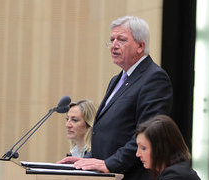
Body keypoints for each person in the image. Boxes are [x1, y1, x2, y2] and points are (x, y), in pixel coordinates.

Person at [57, 16, 173, 180]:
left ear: (140, 46)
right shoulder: (117, 80)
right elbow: (110, 134)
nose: (113, 46)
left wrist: (110, 164)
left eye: (121, 40)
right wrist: (87, 160)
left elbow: (149, 134)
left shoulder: (154, 78)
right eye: (112, 40)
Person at [136, 115, 201, 180]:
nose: (137, 154)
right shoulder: (175, 172)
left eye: (143, 148)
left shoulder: (175, 176)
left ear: (161, 148)